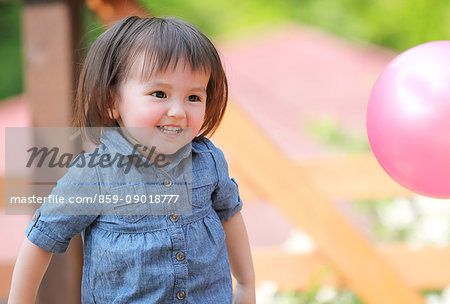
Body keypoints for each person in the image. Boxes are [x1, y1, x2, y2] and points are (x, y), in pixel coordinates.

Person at [8, 16, 255, 303]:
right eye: (159, 93)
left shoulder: (208, 160)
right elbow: (41, 238)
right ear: (112, 102)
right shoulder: (95, 174)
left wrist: (247, 284)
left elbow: (230, 214)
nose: (178, 111)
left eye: (194, 97)